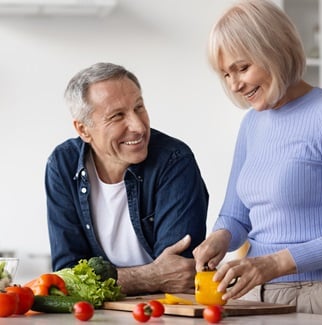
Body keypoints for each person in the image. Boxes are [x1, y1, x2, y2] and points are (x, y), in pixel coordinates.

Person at [193, 0, 322, 318]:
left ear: (275, 50)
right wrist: (219, 238)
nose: (235, 84)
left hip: (321, 296)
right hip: (253, 295)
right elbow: (236, 216)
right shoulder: (252, 123)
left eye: (242, 68)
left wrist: (273, 264)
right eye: (226, 74)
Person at [45, 62, 209, 295]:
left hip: (164, 311)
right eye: (117, 116)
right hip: (98, 314)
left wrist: (102, 282)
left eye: (139, 107)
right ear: (83, 130)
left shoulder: (174, 160)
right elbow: (66, 277)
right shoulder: (62, 164)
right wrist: (151, 276)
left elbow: (179, 274)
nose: (139, 126)